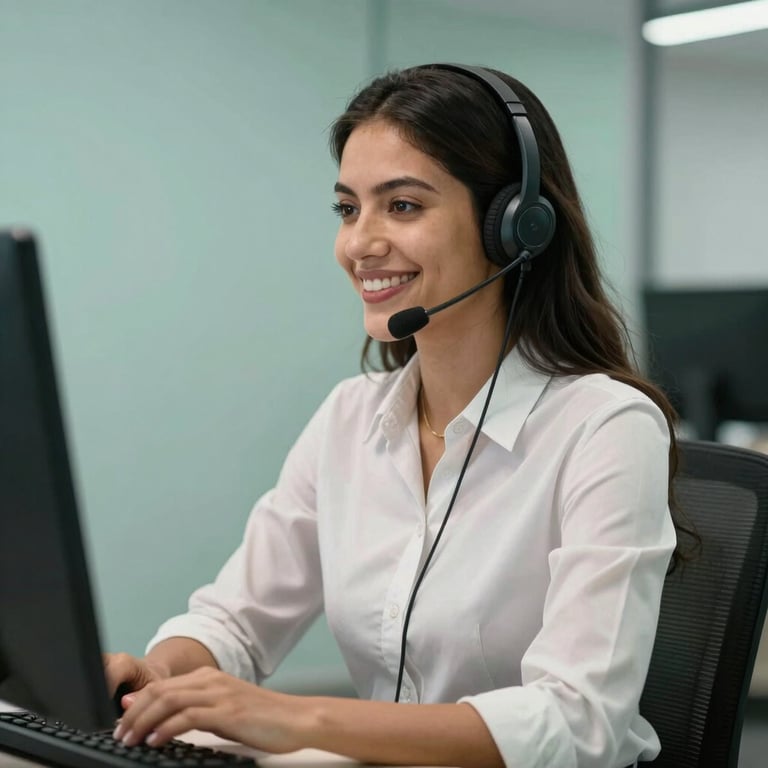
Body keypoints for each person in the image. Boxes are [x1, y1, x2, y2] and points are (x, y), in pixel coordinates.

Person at [105, 64, 691, 768]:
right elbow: (237, 620)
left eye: (404, 206)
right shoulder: (351, 419)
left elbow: (578, 721)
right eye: (348, 208)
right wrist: (163, 675)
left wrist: (300, 719)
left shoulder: (605, 427)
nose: (360, 244)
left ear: (515, 226)